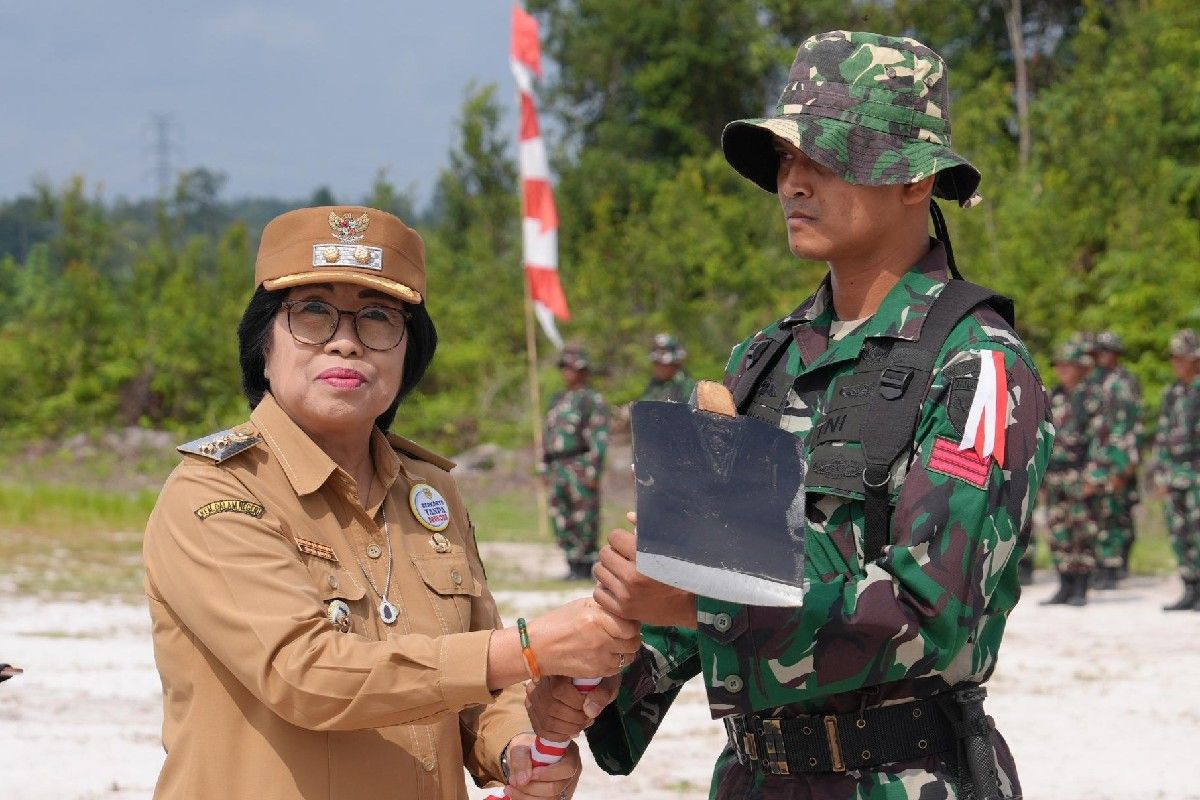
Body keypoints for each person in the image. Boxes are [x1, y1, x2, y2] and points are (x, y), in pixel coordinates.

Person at [530, 31, 1053, 799]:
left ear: (915, 179)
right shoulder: (760, 362)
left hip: (899, 779)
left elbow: (939, 620)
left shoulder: (977, 364)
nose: (793, 184)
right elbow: (702, 575)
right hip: (755, 777)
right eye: (784, 159)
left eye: (825, 157)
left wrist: (702, 607)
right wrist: (607, 677)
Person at [142, 206, 640, 800]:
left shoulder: (429, 492)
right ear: (264, 348)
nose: (346, 342)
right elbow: (306, 675)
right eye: (313, 313)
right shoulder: (217, 492)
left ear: (409, 355)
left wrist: (517, 750)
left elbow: (480, 691)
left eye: (378, 319)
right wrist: (529, 650)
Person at [540, 344, 610, 580]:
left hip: (580, 465)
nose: (568, 372)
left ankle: (585, 565)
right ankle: (571, 563)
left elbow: (599, 437)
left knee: (584, 517)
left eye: (573, 367)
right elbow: (548, 435)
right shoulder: (557, 399)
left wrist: (593, 471)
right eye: (565, 367)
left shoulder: (591, 399)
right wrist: (544, 466)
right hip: (557, 466)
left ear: (583, 370)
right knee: (561, 516)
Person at [1040, 340, 1097, 606]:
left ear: (1080, 367)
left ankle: (1081, 587)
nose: (1062, 369)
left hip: (1080, 472)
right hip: (1054, 474)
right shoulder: (1053, 397)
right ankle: (1064, 584)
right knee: (1057, 528)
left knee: (1082, 530)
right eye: (1059, 365)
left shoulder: (1092, 398)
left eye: (1068, 365)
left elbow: (1102, 439)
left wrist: (1094, 476)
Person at [1148, 329, 1200, 611]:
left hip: (1197, 473)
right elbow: (1163, 436)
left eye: (1183, 358)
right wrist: (1160, 475)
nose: (1178, 363)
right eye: (1175, 358)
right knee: (1180, 533)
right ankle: (1190, 587)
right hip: (1175, 472)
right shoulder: (1172, 393)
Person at [1089, 331, 1143, 580]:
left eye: (1106, 351)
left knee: (1119, 511)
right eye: (1098, 351)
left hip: (1119, 456)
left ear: (1116, 353)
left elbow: (1133, 423)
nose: (1101, 356)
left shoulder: (1126, 381)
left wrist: (1129, 461)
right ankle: (1103, 562)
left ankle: (1116, 563)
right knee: (1100, 510)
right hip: (1097, 457)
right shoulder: (1092, 381)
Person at [638, 333, 696, 403]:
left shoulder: (686, 386)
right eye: (656, 363)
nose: (658, 368)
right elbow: (645, 402)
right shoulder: (655, 384)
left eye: (662, 365)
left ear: (675, 365)